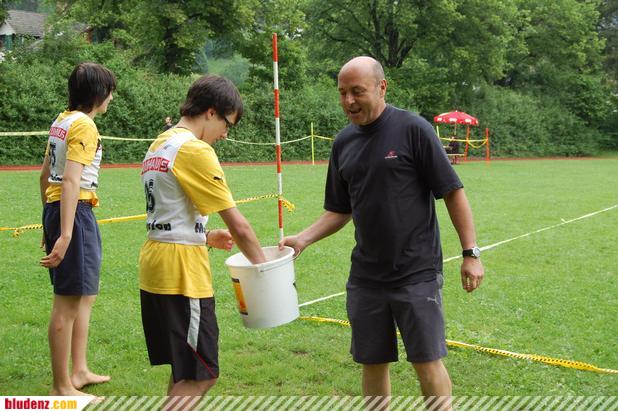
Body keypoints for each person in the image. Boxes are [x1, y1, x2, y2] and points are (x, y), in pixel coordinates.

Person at [280, 57, 484, 409]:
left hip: (416, 271)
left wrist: (470, 253)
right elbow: (340, 209)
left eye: (357, 91)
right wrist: (303, 238)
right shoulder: (343, 142)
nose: (348, 101)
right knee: (372, 361)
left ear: (382, 87)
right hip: (366, 276)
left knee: (426, 360)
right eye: (342, 93)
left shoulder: (413, 129)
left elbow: (452, 191)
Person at [139, 74, 266, 404]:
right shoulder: (195, 149)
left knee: (185, 369)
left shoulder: (160, 143)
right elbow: (239, 226)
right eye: (227, 124)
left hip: (156, 263)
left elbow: (168, 212)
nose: (225, 134)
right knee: (202, 373)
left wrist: (205, 236)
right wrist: (266, 272)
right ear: (211, 112)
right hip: (182, 273)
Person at [39, 62, 116, 396]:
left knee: (85, 295)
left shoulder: (62, 121)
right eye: (110, 92)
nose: (111, 98)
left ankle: (80, 370)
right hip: (75, 213)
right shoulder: (84, 125)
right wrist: (66, 233)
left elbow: (45, 176)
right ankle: (62, 387)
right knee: (67, 302)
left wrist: (50, 223)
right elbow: (70, 180)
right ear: (99, 94)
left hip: (61, 211)